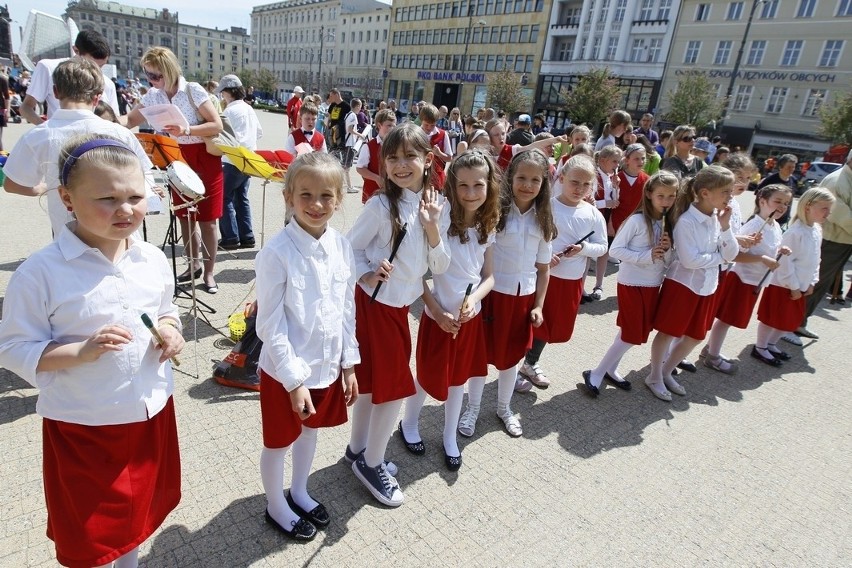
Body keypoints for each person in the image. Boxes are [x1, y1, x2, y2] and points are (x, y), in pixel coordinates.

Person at [0, 134, 184, 568]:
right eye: (107, 198)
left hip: (148, 412)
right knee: (90, 536)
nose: (125, 210)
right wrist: (79, 352)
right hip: (86, 425)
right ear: (66, 199)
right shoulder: (41, 272)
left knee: (136, 520)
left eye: (136, 197)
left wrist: (170, 330)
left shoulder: (152, 259)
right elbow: (12, 347)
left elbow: (166, 309)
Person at [254, 152, 359, 542]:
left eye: (327, 196)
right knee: (279, 440)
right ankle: (275, 503)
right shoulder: (276, 253)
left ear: (339, 199)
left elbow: (347, 309)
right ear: (288, 196)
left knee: (310, 432)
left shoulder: (342, 247)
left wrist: (349, 363)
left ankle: (299, 490)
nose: (316, 205)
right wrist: (294, 380)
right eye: (306, 195)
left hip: (326, 364)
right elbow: (270, 324)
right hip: (286, 371)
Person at [345, 123, 450, 507]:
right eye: (393, 158)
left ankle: (358, 451)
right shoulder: (379, 205)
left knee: (375, 386)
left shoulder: (437, 206)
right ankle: (372, 463)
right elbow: (346, 250)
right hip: (375, 306)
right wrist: (367, 271)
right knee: (393, 389)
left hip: (399, 308)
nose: (401, 164)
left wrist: (434, 228)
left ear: (428, 160)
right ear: (384, 164)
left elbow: (439, 267)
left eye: (410, 156)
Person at [399, 151, 500, 471]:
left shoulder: (489, 222)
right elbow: (419, 275)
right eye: (463, 185)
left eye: (478, 185)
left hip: (468, 320)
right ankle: (408, 424)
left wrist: (475, 300)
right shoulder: (439, 219)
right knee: (427, 376)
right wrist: (437, 312)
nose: (471, 193)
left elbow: (489, 277)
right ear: (452, 186)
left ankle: (449, 437)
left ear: (490, 186)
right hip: (437, 318)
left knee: (459, 379)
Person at [458, 150, 555, 438]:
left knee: (511, 358)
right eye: (521, 177)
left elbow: (544, 269)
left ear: (544, 183)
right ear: (510, 177)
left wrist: (538, 305)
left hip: (522, 300)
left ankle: (503, 407)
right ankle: (472, 407)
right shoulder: (495, 212)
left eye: (535, 180)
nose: (527, 185)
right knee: (480, 356)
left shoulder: (544, 220)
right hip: (490, 296)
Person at [3, 58, 154, 239]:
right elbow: (145, 183)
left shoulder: (38, 135)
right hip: (122, 236)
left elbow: (12, 184)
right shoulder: (120, 133)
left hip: (70, 240)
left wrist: (43, 188)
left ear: (56, 92)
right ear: (98, 97)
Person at [125, 47, 224, 294]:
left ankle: (210, 273)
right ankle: (193, 266)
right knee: (185, 217)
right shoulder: (152, 95)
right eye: (148, 74)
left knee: (208, 220)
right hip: (174, 158)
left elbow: (217, 125)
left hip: (203, 157)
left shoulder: (192, 90)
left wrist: (187, 129)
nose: (152, 80)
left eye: (156, 75)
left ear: (169, 71)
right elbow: (128, 120)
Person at [515, 154, 608, 393]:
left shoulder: (593, 213)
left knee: (551, 326)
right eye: (574, 182)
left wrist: (583, 249)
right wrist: (544, 260)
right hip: (544, 278)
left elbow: (603, 247)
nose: (579, 188)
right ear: (562, 178)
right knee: (531, 324)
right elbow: (531, 239)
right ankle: (514, 369)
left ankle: (530, 364)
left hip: (571, 281)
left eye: (586, 184)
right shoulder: (547, 206)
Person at [645, 166, 739, 401]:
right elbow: (690, 260)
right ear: (705, 193)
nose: (731, 196)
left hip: (707, 285)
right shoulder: (687, 221)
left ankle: (667, 372)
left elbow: (732, 252)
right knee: (668, 332)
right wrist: (720, 257)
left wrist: (726, 228)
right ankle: (654, 375)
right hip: (683, 286)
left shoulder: (718, 218)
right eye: (726, 191)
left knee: (696, 336)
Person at [582, 171, 678, 395]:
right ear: (649, 194)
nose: (666, 202)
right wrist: (647, 254)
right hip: (632, 282)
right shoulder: (636, 220)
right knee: (633, 334)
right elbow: (615, 250)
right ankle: (595, 373)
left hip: (653, 283)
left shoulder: (668, 224)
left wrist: (668, 248)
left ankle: (611, 370)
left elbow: (669, 261)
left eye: (671, 197)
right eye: (661, 196)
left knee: (629, 331)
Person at [701, 184, 792, 373]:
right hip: (742, 279)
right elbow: (734, 254)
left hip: (754, 281)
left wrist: (779, 252)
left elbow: (767, 249)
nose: (782, 206)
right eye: (778, 201)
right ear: (762, 201)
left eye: (786, 203)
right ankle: (712, 356)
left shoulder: (774, 225)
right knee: (725, 319)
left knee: (730, 319)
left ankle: (711, 348)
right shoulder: (754, 225)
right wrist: (761, 259)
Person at [754, 188, 835, 365]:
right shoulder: (795, 232)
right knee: (772, 318)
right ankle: (760, 347)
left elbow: (816, 259)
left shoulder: (816, 230)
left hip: (801, 285)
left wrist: (812, 281)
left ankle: (771, 344)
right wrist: (794, 286)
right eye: (824, 209)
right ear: (807, 206)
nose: (828, 213)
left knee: (787, 320)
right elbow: (784, 263)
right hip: (784, 285)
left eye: (829, 209)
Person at [793, 149, 852, 340]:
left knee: (820, 284)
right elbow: (840, 214)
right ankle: (792, 323)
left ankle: (798, 322)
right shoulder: (838, 181)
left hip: (842, 240)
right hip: (831, 240)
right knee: (813, 283)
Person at [21, 30, 120, 125]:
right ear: (76, 50)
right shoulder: (49, 68)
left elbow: (114, 119)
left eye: (101, 66)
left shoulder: (108, 84)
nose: (96, 71)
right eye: (92, 64)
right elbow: (26, 107)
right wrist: (48, 130)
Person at [217, 74, 262, 250]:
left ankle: (230, 236)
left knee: (224, 197)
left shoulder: (229, 111)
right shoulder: (249, 108)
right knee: (241, 198)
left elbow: (222, 136)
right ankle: (247, 236)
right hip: (248, 159)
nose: (222, 96)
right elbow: (259, 133)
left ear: (229, 92)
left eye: (223, 93)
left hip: (233, 159)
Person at [585, 145, 623, 302]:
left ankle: (599, 285)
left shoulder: (611, 177)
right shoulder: (593, 176)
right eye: (614, 162)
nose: (616, 166)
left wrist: (617, 187)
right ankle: (581, 286)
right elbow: (588, 200)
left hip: (606, 218)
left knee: (604, 251)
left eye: (618, 162)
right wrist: (605, 203)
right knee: (588, 253)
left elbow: (615, 199)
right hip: (593, 216)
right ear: (602, 160)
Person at [485, 117, 566, 171]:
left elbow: (532, 146)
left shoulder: (511, 150)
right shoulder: (484, 152)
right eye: (496, 135)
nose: (501, 137)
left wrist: (555, 139)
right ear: (488, 136)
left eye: (503, 133)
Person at [356, 108, 396, 204]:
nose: (392, 128)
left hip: (392, 192)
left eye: (394, 126)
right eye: (389, 125)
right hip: (372, 192)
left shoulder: (397, 146)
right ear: (379, 125)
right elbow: (360, 168)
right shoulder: (369, 146)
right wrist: (377, 178)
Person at [758, 153, 798, 227]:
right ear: (780, 167)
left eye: (793, 167)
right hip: (767, 219)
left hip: (783, 220)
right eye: (789, 167)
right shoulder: (770, 180)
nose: (791, 170)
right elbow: (759, 197)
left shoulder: (794, 181)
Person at [419, 103, 452, 190]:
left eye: (432, 125)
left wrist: (439, 153)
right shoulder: (415, 134)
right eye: (426, 125)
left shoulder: (443, 134)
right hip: (418, 178)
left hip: (436, 179)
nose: (429, 128)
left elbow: (449, 158)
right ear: (421, 120)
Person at [344, 98, 368, 193]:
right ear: (357, 106)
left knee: (346, 166)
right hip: (349, 143)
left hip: (347, 142)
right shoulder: (353, 115)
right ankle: (349, 187)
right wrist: (360, 135)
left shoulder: (348, 114)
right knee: (347, 166)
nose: (360, 109)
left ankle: (349, 186)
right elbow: (350, 129)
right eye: (360, 106)